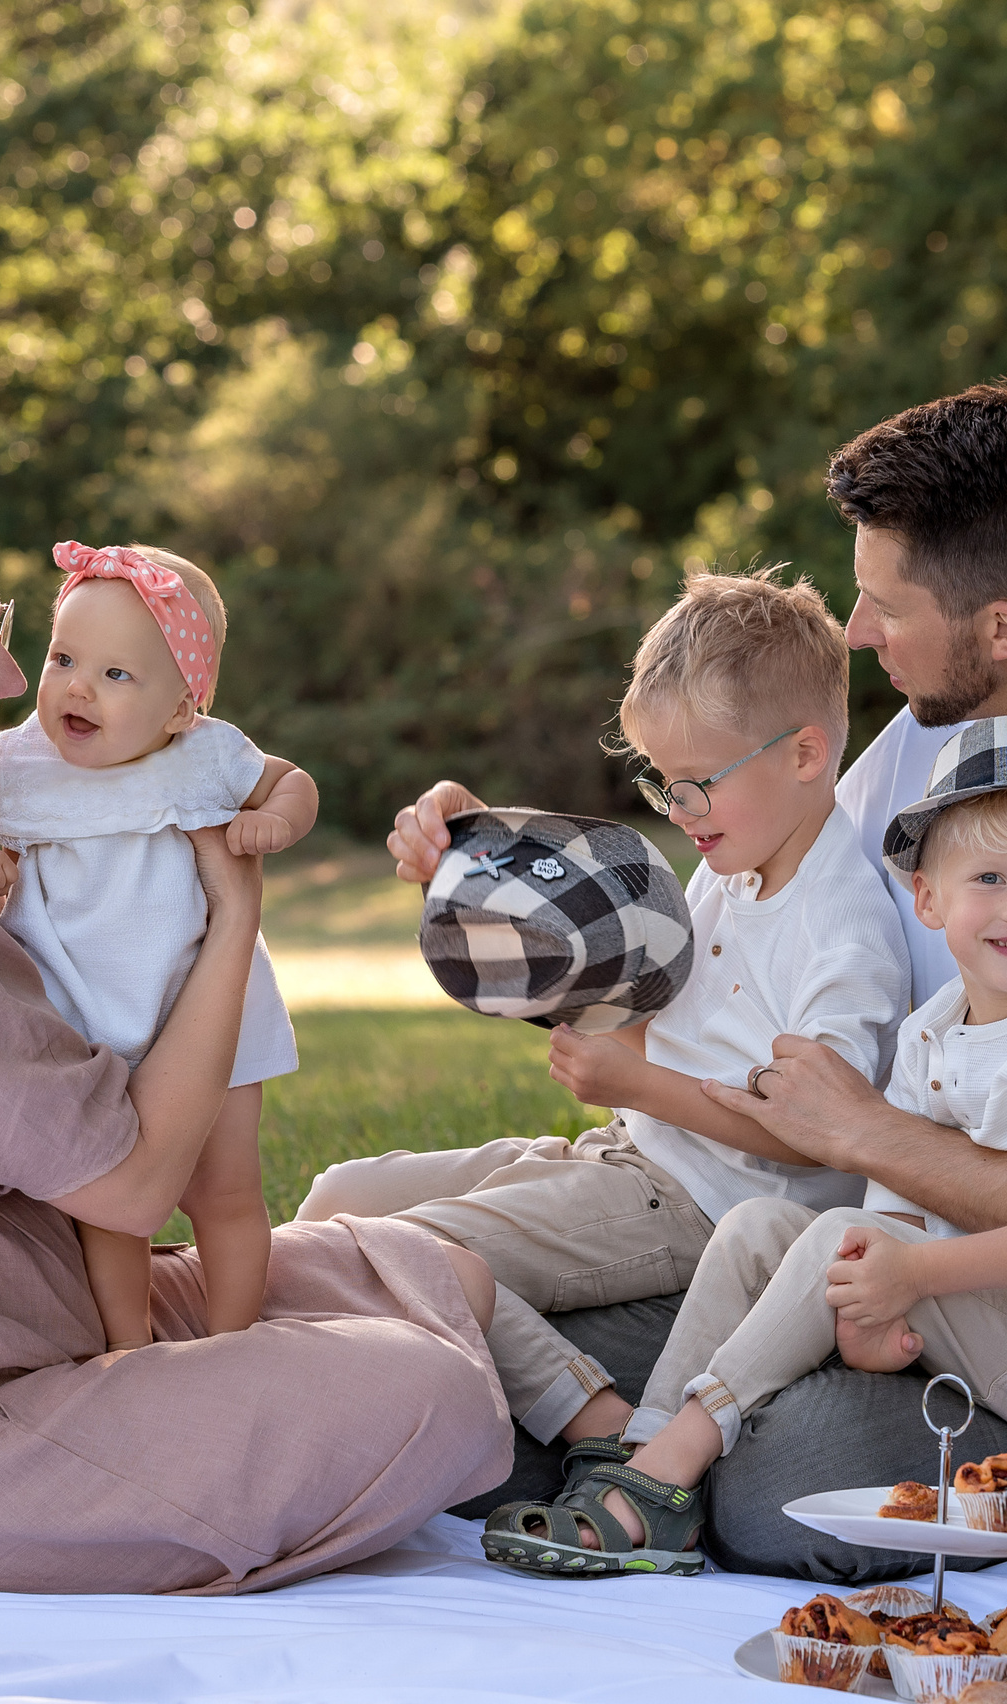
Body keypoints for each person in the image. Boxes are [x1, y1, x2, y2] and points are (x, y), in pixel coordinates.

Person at [388, 374, 1007, 1492]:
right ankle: (613, 1448)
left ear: (1002, 628)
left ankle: (638, 1460)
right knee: (415, 1314)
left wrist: (867, 1136)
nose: (856, 630)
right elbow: (730, 930)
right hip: (825, 1272)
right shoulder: (921, 755)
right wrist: (495, 868)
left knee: (782, 1477)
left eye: (886, 603)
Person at [0, 460, 509, 1595]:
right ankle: (353, 1425)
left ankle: (282, 1408)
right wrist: (232, 918)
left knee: (432, 1268)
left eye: (6, 633)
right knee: (435, 1392)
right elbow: (134, 1183)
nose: (14, 679)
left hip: (26, 1309)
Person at [299, 569, 911, 1572]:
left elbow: (823, 1134)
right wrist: (479, 857)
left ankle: (600, 1421)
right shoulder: (732, 858)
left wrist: (643, 1089)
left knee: (411, 1254)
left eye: (696, 781)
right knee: (337, 1200)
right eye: (662, 781)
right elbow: (606, 964)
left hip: (704, 1202)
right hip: (627, 1153)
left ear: (805, 753)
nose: (679, 807)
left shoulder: (841, 929)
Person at [485, 723, 1007, 1570]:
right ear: (927, 899)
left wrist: (912, 1275)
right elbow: (892, 1196)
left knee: (833, 1240)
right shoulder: (932, 1030)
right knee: (756, 1226)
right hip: (976, 1310)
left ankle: (666, 1477)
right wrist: (871, 1309)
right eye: (988, 878)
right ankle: (644, 1451)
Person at [0, 539, 318, 1351]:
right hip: (83, 1025)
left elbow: (291, 781)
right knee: (108, 1212)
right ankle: (128, 1346)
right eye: (65, 657)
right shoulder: (18, 761)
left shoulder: (202, 755)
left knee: (227, 1192)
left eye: (117, 675)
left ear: (181, 708)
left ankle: (232, 1339)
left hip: (208, 1019)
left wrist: (275, 820)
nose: (77, 688)